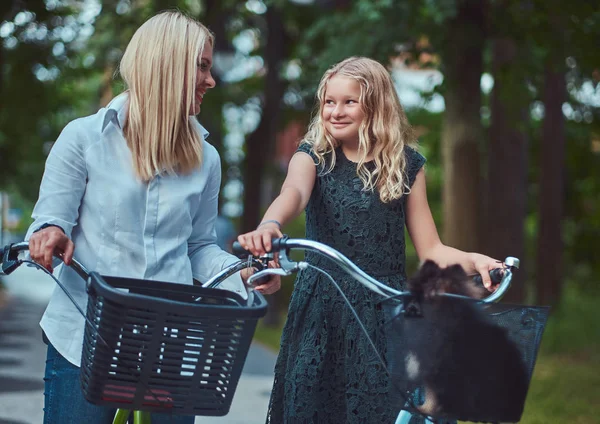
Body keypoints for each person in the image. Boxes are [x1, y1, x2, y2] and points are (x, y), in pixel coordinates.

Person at [25, 11, 280, 424]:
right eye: (201, 65)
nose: (210, 80)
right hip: (84, 336)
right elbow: (50, 220)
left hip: (168, 343)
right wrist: (49, 234)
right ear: (166, 63)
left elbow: (198, 247)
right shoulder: (85, 138)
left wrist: (242, 273)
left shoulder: (206, 158)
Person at [237, 57, 501, 424]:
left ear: (375, 106)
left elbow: (432, 250)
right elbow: (292, 193)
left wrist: (474, 259)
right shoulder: (313, 155)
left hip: (383, 308)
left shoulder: (406, 165)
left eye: (350, 101)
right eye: (329, 101)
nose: (336, 111)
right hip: (321, 308)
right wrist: (270, 224)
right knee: (313, 406)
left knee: (382, 409)